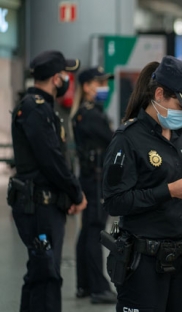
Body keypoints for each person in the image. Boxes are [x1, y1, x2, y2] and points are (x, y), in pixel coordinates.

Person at [102, 56, 182, 312]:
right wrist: (169, 191)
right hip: (143, 265)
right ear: (159, 94)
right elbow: (115, 202)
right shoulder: (128, 139)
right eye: (180, 105)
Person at [9, 50, 88, 312]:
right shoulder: (35, 109)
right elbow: (51, 160)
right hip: (38, 206)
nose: (67, 79)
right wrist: (76, 193)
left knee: (40, 273)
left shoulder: (43, 108)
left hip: (46, 204)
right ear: (56, 79)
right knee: (47, 275)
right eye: (65, 74)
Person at [71, 67, 117, 304]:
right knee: (94, 230)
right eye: (99, 82)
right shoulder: (90, 114)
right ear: (87, 86)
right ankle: (98, 287)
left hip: (91, 177)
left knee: (87, 230)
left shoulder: (87, 112)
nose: (104, 87)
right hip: (95, 179)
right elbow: (111, 140)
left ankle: (84, 284)